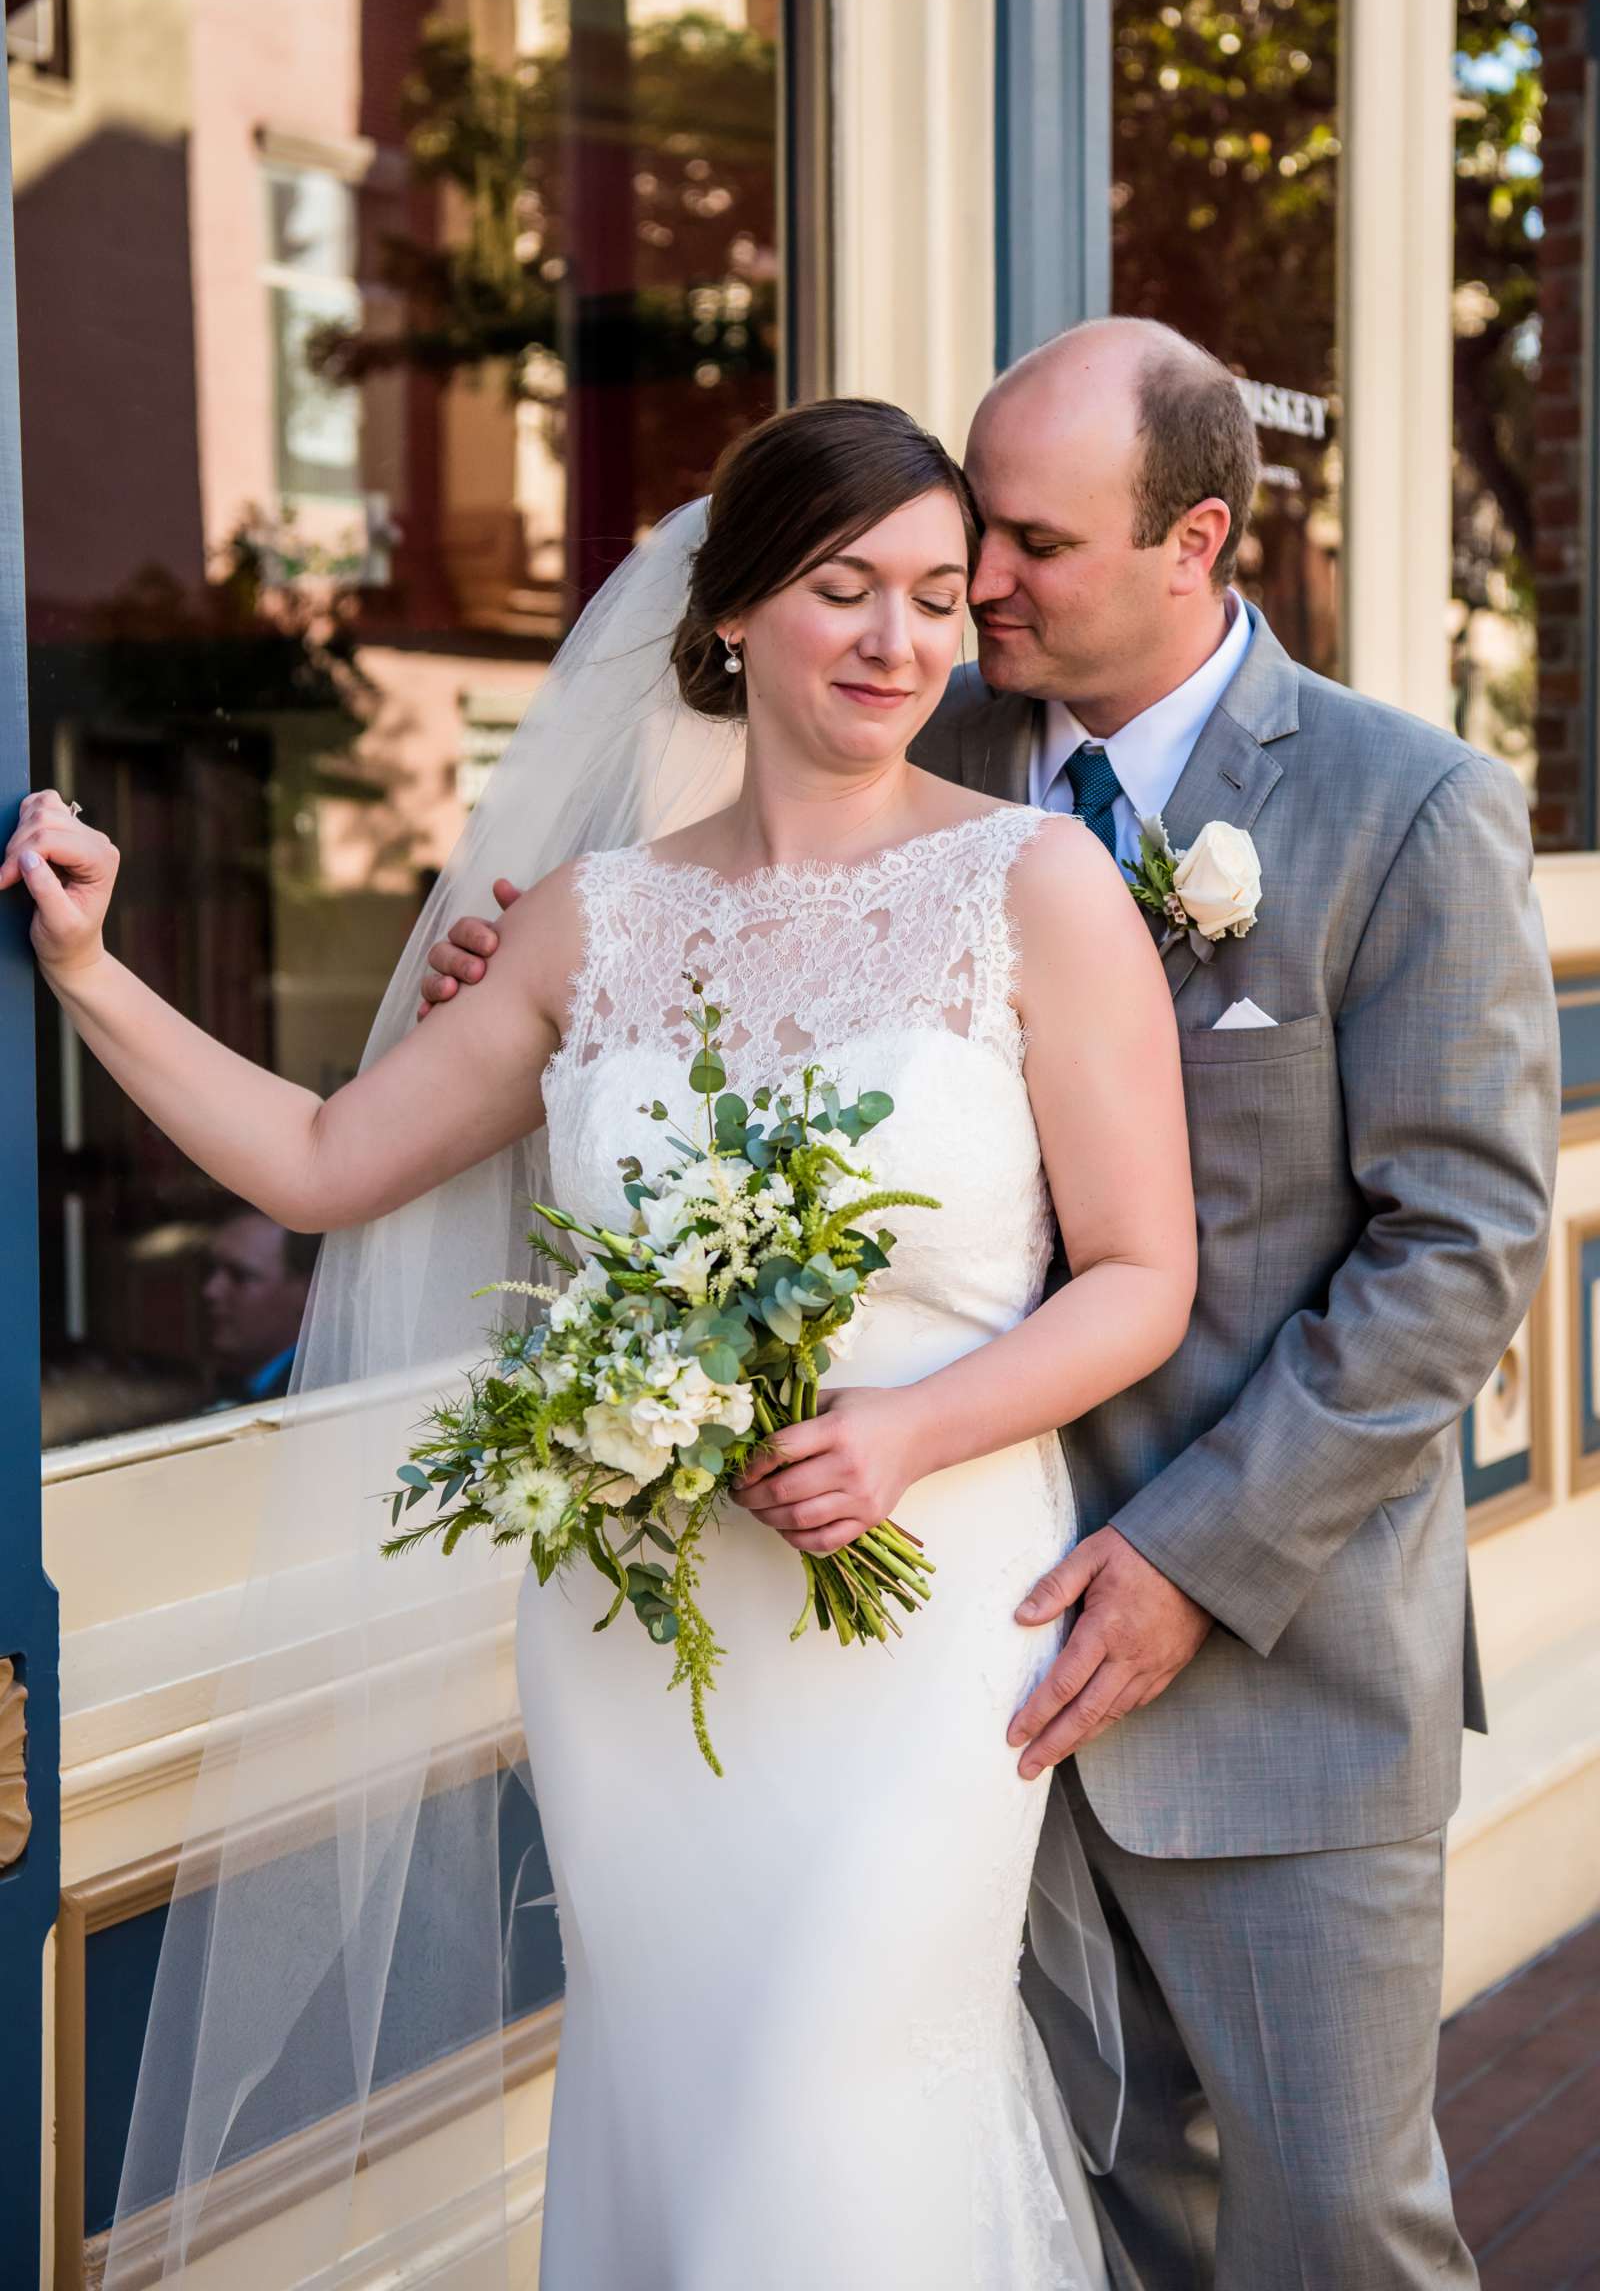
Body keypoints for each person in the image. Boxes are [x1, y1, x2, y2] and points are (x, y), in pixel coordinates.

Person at [5, 397, 1199, 2288]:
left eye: (938, 599)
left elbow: (1143, 1274)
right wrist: (90, 973)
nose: (902, 644)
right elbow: (325, 1162)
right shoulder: (591, 925)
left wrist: (905, 1434)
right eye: (843, 590)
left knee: (842, 2115)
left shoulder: (1033, 889)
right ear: (732, 612)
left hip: (922, 1621)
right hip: (638, 1643)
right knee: (680, 2109)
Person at [421, 320, 1562, 2289]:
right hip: (928, 1665)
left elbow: (1455, 1248)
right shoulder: (902, 751)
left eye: (1018, 546)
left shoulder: (1402, 804)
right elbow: (740, 1051)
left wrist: (1192, 1559)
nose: (965, 590)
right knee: (1061, 2213)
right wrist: (549, 1008)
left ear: (1193, 538)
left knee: (1325, 2228)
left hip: (1263, 1663)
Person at [200, 1204, 317, 1406]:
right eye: (210, 1270)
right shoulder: (239, 1381)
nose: (211, 1290)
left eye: (239, 1276)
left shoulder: (315, 1395)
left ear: (307, 1292)